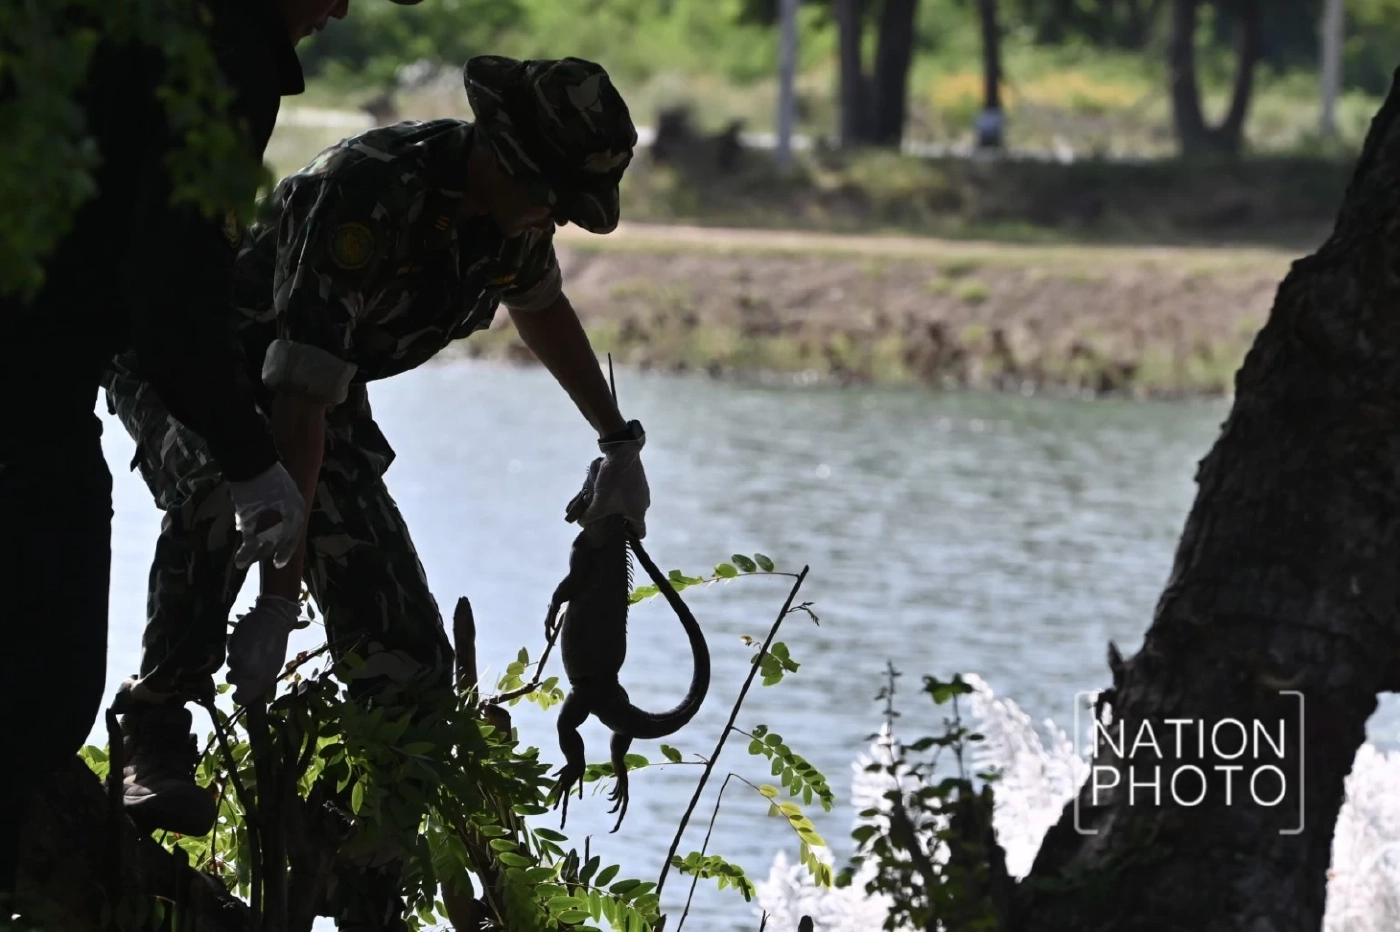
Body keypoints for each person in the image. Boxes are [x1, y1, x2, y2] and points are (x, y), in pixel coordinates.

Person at [102, 55, 649, 929]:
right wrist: (280, 602)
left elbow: (539, 305)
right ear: (501, 154)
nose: (552, 218)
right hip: (196, 360)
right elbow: (291, 409)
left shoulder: (511, 218)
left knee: (412, 672)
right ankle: (159, 721)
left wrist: (617, 439)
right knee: (219, 492)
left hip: (321, 394)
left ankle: (358, 890)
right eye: (548, 194)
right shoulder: (366, 195)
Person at [0, 0, 425, 913]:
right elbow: (172, 290)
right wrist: (248, 461)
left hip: (39, 369)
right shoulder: (222, 54)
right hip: (30, 385)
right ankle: (149, 721)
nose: (343, 6)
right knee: (42, 690)